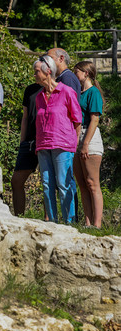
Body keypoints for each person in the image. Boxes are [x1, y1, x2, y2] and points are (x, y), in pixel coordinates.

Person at [34, 55, 82, 224]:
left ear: (48, 71)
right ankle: (52, 222)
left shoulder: (67, 91)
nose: (34, 75)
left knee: (63, 184)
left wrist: (74, 144)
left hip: (63, 144)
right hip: (43, 144)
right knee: (47, 185)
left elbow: (77, 120)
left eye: (37, 71)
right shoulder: (38, 97)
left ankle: (70, 222)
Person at [73, 61, 105, 228]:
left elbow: (95, 119)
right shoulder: (78, 92)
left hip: (89, 138)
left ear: (85, 73)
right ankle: (87, 222)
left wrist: (85, 144)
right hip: (76, 137)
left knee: (93, 183)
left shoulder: (93, 93)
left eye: (76, 71)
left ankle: (97, 223)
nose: (74, 74)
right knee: (82, 183)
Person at [10, 83, 43, 216]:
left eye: (37, 71)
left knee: (48, 181)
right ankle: (19, 218)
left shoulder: (55, 88)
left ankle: (50, 219)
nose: (35, 73)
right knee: (16, 181)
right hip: (29, 141)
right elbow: (25, 117)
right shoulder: (30, 89)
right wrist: (22, 141)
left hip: (47, 139)